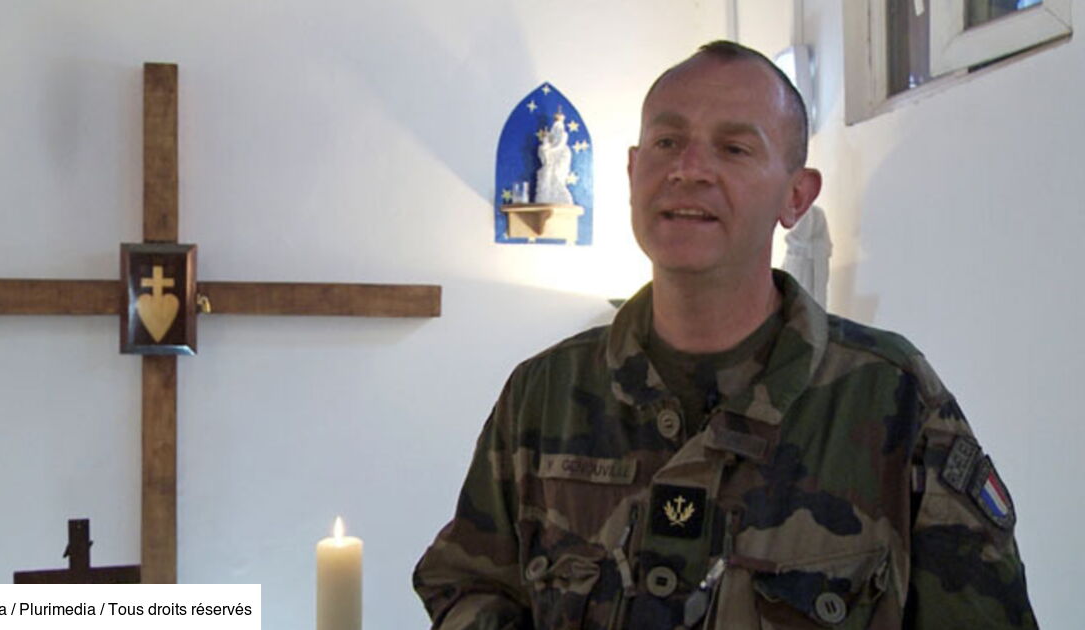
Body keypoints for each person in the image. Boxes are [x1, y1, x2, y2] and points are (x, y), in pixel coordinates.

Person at [414, 40, 1037, 629]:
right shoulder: (544, 392)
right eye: (666, 141)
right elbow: (469, 582)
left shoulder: (893, 400)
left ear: (796, 196)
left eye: (734, 149)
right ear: (632, 171)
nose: (688, 169)